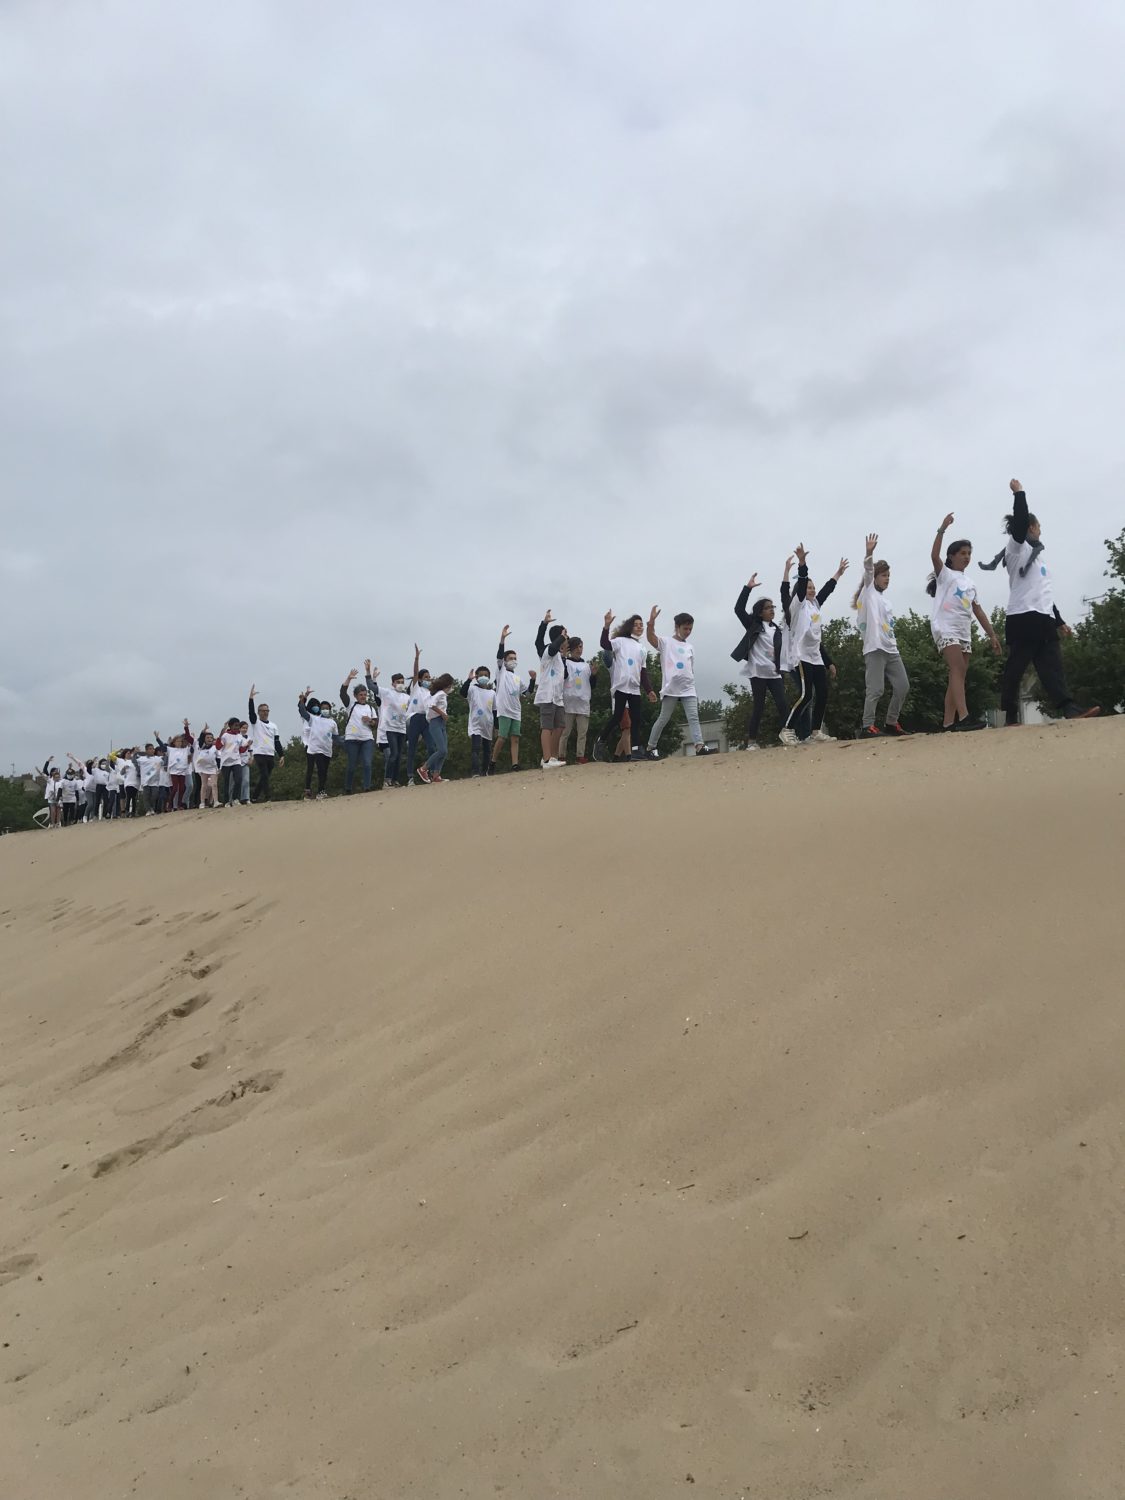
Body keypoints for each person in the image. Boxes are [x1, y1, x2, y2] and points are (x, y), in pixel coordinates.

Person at [981, 478, 1100, 725]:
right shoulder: (1016, 549)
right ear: (1031, 527)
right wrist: (1019, 494)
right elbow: (1020, 522)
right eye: (1038, 526)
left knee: (1052, 667)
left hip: (1043, 618)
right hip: (1023, 617)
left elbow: (1044, 593)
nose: (1040, 531)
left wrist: (1059, 621)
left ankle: (1069, 708)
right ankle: (1010, 716)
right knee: (1016, 668)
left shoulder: (1039, 559)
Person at [928, 513, 1002, 730]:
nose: (967, 557)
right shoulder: (945, 575)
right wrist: (942, 528)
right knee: (957, 669)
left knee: (958, 675)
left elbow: (978, 610)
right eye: (962, 553)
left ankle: (948, 723)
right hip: (945, 628)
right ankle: (964, 717)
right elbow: (934, 555)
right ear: (951, 556)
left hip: (964, 632)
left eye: (969, 553)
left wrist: (992, 634)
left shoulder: (970, 582)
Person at [780, 547, 848, 745]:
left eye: (813, 587)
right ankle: (787, 729)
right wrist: (802, 564)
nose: (812, 590)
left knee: (823, 693)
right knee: (806, 694)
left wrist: (838, 573)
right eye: (809, 587)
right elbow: (800, 585)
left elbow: (827, 590)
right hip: (801, 656)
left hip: (815, 656)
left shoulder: (815, 605)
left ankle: (816, 731)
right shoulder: (797, 605)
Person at [854, 533, 910, 738]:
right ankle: (867, 726)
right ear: (875, 577)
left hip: (891, 648)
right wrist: (869, 553)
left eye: (889, 576)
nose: (887, 579)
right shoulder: (868, 592)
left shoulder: (886, 601)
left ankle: (891, 723)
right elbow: (868, 570)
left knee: (903, 686)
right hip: (875, 648)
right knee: (876, 689)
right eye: (884, 575)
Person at [644, 607, 710, 758]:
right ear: (677, 627)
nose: (688, 631)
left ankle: (699, 745)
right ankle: (651, 747)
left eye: (690, 629)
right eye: (685, 628)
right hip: (671, 688)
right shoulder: (666, 642)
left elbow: (690, 667)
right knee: (664, 718)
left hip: (688, 687)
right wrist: (651, 622)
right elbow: (651, 638)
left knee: (693, 716)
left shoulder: (690, 647)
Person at [592, 611, 657, 762]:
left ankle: (636, 750)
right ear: (630, 627)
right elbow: (604, 644)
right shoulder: (620, 641)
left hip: (634, 688)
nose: (639, 627)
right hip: (621, 686)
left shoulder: (642, 649)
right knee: (617, 717)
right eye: (636, 625)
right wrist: (606, 626)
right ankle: (600, 741)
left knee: (636, 719)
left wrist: (649, 690)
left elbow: (643, 672)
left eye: (641, 625)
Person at [732, 572, 788, 748]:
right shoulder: (753, 625)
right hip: (758, 672)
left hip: (774, 673)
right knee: (759, 707)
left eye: (773, 607)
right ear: (760, 612)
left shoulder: (777, 630)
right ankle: (752, 742)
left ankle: (788, 734)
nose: (771, 610)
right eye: (767, 607)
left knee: (783, 704)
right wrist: (747, 589)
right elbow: (738, 609)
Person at [491, 626, 534, 772]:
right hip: (504, 710)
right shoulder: (501, 672)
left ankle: (515, 764)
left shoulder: (517, 678)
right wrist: (502, 639)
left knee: (515, 738)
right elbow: (499, 655)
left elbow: (527, 693)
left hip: (516, 711)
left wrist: (533, 680)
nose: (513, 660)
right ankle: (492, 762)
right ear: (504, 661)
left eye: (515, 658)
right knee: (502, 737)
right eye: (510, 658)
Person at [534, 610, 569, 768]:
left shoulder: (559, 657)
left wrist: (565, 656)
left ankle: (553, 757)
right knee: (547, 727)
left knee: (560, 726)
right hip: (547, 695)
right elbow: (539, 642)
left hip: (558, 697)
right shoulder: (547, 651)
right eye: (565, 636)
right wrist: (544, 624)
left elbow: (565, 675)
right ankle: (546, 759)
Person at [339, 661, 380, 794]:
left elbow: (376, 724)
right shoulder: (351, 705)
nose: (363, 697)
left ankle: (367, 787)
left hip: (367, 739)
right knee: (352, 765)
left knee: (367, 763)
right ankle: (348, 788)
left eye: (364, 694)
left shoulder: (370, 708)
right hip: (352, 739)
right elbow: (342, 693)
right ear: (356, 696)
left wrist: (370, 721)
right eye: (361, 695)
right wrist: (349, 679)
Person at [560, 638, 597, 763]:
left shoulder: (586, 666)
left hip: (583, 702)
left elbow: (592, 685)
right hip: (568, 702)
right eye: (576, 647)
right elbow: (563, 676)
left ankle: (580, 756)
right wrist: (563, 658)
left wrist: (594, 675)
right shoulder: (565, 662)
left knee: (582, 732)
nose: (579, 649)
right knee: (565, 732)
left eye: (581, 647)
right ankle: (561, 755)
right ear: (570, 648)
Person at [297, 690, 338, 799]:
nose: (325, 710)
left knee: (324, 771)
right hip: (313, 747)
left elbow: (335, 737)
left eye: (327, 708)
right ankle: (312, 791)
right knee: (316, 769)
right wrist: (303, 699)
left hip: (327, 749)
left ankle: (321, 791)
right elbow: (302, 711)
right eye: (323, 708)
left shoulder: (332, 722)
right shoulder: (313, 719)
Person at [248, 687, 285, 802]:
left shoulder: (273, 725)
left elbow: (277, 741)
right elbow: (251, 713)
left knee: (265, 777)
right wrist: (251, 699)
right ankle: (268, 797)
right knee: (264, 774)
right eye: (263, 710)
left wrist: (281, 755)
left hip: (270, 753)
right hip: (259, 752)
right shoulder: (256, 723)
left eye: (267, 710)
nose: (265, 712)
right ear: (259, 712)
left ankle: (254, 797)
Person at [404, 646, 434, 787]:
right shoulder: (416, 688)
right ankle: (410, 777)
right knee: (412, 748)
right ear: (420, 679)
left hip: (426, 720)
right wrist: (416, 658)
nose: (428, 679)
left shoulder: (430, 692)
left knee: (432, 747)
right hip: (415, 718)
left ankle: (431, 772)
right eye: (426, 677)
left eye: (429, 677)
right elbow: (415, 672)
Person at [460, 666, 497, 777]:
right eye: (481, 675)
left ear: (489, 677)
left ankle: (484, 772)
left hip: (488, 725)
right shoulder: (472, 689)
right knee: (475, 748)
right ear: (476, 677)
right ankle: (475, 772)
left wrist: (497, 727)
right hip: (475, 724)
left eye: (486, 675)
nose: (483, 677)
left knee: (487, 750)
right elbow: (462, 693)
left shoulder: (492, 693)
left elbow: (495, 711)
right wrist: (468, 680)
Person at [418, 674, 454, 784]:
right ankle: (423, 768)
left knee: (444, 751)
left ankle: (436, 775)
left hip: (440, 723)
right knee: (442, 750)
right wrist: (443, 714)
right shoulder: (441, 694)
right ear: (447, 685)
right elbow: (432, 705)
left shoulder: (438, 694)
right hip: (435, 722)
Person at [378, 672, 410, 788]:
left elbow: (413, 708)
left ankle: (395, 780)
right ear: (393, 683)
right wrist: (370, 676)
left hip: (402, 729)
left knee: (399, 756)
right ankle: (387, 780)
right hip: (390, 729)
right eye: (398, 682)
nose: (400, 684)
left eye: (402, 682)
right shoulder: (388, 693)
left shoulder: (407, 697)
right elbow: (372, 687)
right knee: (394, 754)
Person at [157, 723, 194, 809]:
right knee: (175, 789)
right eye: (177, 741)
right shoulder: (171, 750)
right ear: (174, 742)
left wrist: (192, 741)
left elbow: (192, 750)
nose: (179, 743)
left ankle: (179, 805)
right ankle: (170, 804)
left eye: (180, 741)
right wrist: (157, 739)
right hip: (173, 771)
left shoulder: (185, 750)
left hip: (182, 771)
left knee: (182, 789)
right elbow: (163, 747)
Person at [193, 727, 220, 808]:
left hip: (212, 768)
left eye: (211, 737)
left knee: (214, 784)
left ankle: (216, 801)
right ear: (204, 739)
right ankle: (202, 803)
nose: (209, 739)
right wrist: (203, 731)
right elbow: (201, 739)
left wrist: (219, 768)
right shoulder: (201, 746)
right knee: (204, 785)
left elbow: (218, 758)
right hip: (203, 768)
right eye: (207, 737)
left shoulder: (215, 747)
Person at [137, 742, 165, 815]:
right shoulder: (142, 759)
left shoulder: (158, 758)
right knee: (146, 796)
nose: (152, 750)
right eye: (150, 749)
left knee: (154, 795)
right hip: (145, 780)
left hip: (155, 781)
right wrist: (137, 752)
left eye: (153, 749)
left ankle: (152, 808)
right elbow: (134, 760)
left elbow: (165, 760)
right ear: (146, 750)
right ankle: (148, 810)